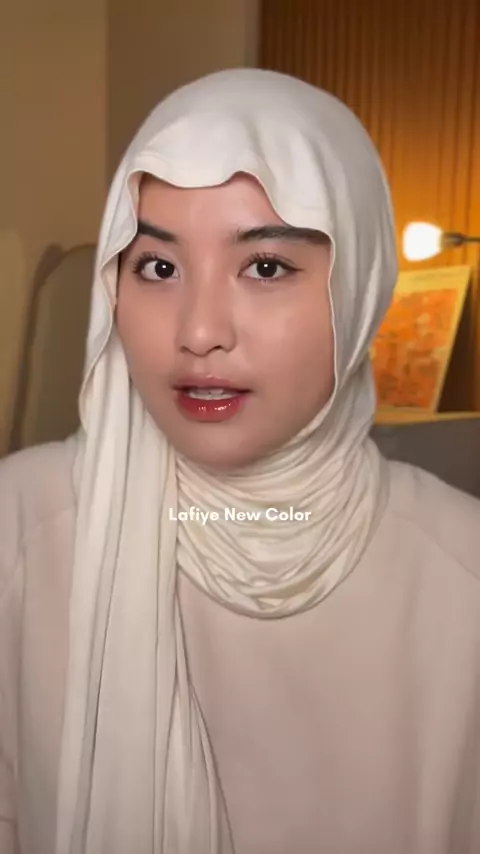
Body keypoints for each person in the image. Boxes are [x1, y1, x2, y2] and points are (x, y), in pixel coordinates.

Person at [0, 68, 479, 854]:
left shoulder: (462, 573)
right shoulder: (23, 528)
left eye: (265, 267)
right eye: (158, 267)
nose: (199, 332)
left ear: (359, 289)